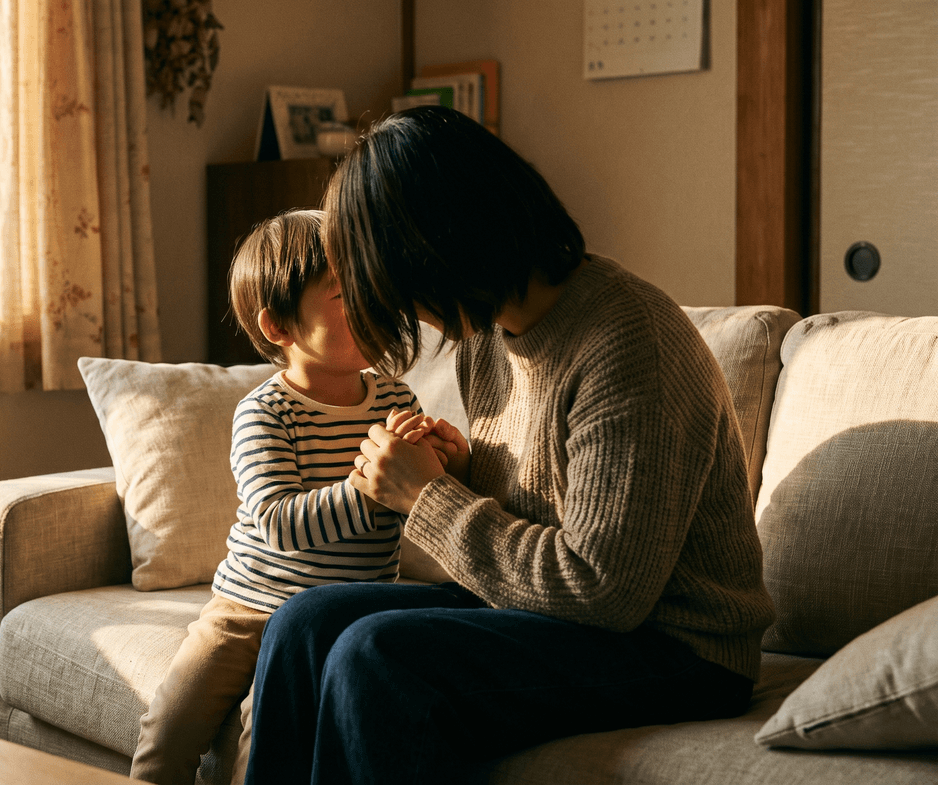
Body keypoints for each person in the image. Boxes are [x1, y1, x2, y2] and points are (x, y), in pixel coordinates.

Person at [241, 106, 776, 784]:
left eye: (404, 291)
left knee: (375, 655)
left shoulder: (629, 342)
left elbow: (604, 590)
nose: (416, 316)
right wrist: (462, 472)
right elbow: (540, 514)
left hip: (677, 646)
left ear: (442, 246)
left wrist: (428, 498)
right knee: (303, 623)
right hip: (556, 615)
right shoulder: (488, 334)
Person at [129, 209, 453, 785]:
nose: (373, 305)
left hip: (341, 618)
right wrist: (371, 486)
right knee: (168, 734)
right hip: (245, 612)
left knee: (266, 741)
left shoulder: (393, 397)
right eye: (344, 295)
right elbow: (279, 523)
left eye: (372, 286)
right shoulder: (265, 413)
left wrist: (442, 465)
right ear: (279, 327)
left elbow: (419, 502)